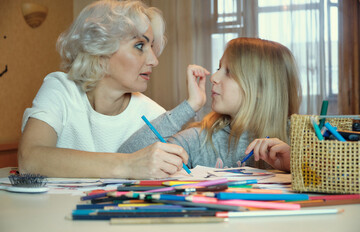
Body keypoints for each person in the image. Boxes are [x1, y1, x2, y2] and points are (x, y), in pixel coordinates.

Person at [18, 0, 209, 179]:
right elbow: (29, 160)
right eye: (140, 45)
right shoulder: (60, 89)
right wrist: (129, 165)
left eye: (152, 46)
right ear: (100, 50)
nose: (154, 60)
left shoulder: (153, 117)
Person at [119, 37, 302, 172]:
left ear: (262, 88)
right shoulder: (199, 139)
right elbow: (126, 158)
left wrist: (294, 164)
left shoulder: (301, 138)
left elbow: (328, 181)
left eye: (228, 72)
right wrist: (190, 105)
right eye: (218, 68)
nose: (213, 78)